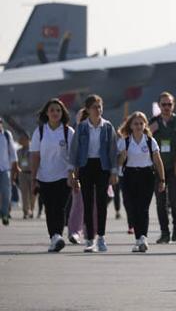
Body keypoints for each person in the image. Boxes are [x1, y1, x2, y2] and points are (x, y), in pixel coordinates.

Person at [70, 95, 118, 253]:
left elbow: (112, 150)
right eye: (94, 107)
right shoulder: (82, 127)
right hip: (86, 165)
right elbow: (75, 150)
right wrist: (73, 172)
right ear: (88, 109)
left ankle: (101, 237)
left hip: (102, 166)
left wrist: (113, 171)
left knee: (101, 204)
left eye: (100, 106)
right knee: (87, 203)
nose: (98, 110)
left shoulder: (108, 126)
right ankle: (89, 239)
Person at [30, 99, 76, 252]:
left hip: (64, 175)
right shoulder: (40, 132)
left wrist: (72, 174)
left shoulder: (68, 132)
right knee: (50, 208)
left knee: (61, 207)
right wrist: (33, 178)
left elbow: (73, 156)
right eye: (52, 110)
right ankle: (54, 238)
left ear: (62, 113)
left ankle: (57, 236)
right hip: (44, 177)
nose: (55, 113)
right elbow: (35, 156)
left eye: (58, 110)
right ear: (46, 113)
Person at [117, 112, 166, 253]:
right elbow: (119, 163)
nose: (138, 126)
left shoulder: (150, 141)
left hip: (146, 175)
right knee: (132, 208)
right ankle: (138, 239)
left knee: (143, 208)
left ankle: (143, 237)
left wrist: (162, 180)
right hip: (129, 175)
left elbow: (157, 161)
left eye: (141, 123)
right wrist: (122, 156)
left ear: (145, 125)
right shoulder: (124, 141)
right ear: (130, 126)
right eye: (135, 123)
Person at [149, 91, 176, 244]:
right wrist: (149, 130)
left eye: (169, 104)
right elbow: (144, 141)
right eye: (163, 104)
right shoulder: (153, 122)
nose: (166, 107)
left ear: (173, 105)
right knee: (160, 201)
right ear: (159, 105)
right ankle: (164, 232)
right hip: (158, 168)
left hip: (175, 166)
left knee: (175, 198)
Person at [0, 118, 21, 224]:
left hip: (5, 169)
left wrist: (16, 166)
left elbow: (13, 153)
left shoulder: (7, 135)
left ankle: (4, 214)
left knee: (6, 192)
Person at [16, 134, 36, 220]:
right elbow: (17, 163)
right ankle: (25, 211)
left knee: (32, 194)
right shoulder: (18, 151)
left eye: (23, 139)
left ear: (28, 140)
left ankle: (31, 209)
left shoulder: (33, 150)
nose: (21, 141)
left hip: (32, 174)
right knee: (24, 194)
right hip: (23, 174)